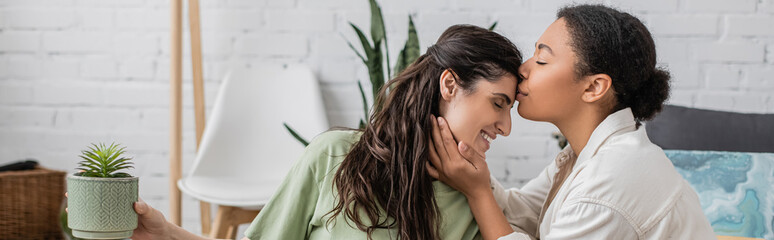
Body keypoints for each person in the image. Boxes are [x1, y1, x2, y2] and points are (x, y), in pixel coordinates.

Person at [69, 24, 523, 240]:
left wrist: (481, 195)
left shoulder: (478, 198)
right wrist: (167, 232)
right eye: (498, 104)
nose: (504, 126)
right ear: (450, 85)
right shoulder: (334, 156)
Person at [426, 4, 715, 240]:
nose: (523, 69)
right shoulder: (585, 155)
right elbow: (523, 212)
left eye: (541, 60)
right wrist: (473, 173)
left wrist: (477, 192)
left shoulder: (610, 182)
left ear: (593, 88)